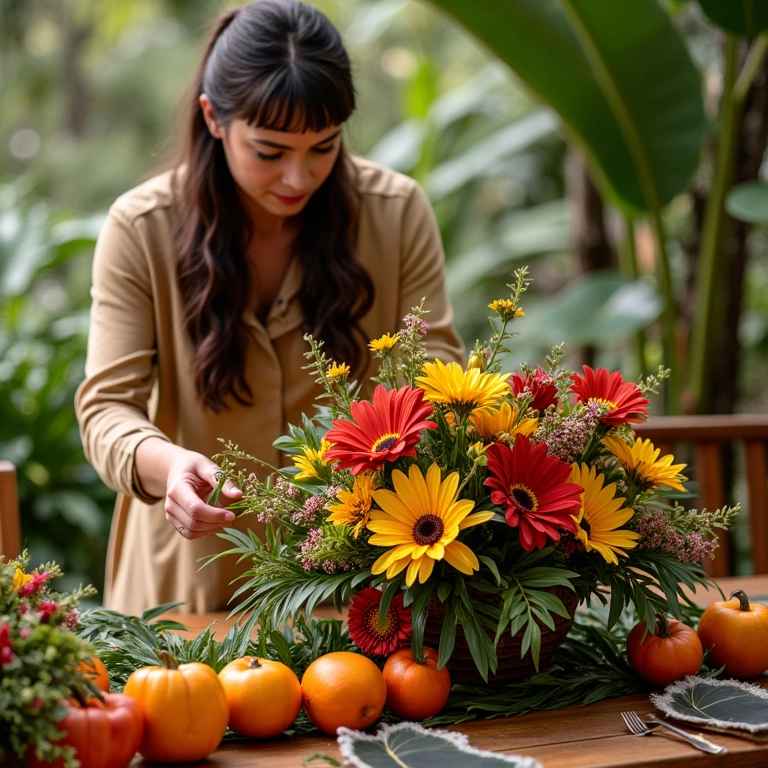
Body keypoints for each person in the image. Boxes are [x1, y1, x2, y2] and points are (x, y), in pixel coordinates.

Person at [75, 0, 465, 616]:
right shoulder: (141, 229)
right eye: (270, 150)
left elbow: (437, 378)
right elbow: (106, 409)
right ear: (214, 117)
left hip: (355, 585)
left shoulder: (397, 213)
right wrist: (168, 465)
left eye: (324, 146)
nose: (298, 176)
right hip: (186, 589)